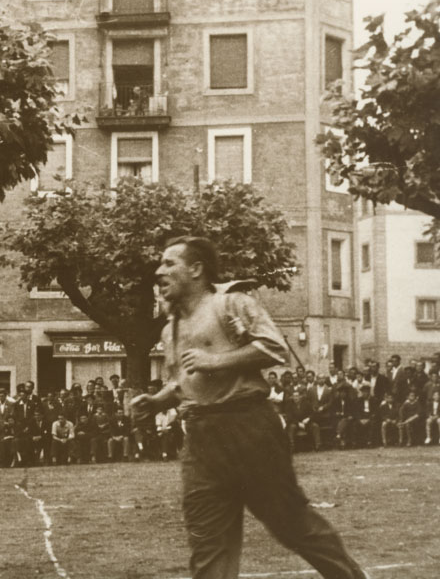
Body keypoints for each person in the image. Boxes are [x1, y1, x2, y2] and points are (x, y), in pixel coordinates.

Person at [132, 236, 365, 579]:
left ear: (196, 269)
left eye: (169, 263)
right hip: (200, 438)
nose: (158, 271)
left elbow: (274, 348)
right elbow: (184, 382)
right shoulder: (170, 329)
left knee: (290, 523)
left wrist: (216, 360)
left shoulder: (232, 304)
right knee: (208, 541)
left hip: (248, 428)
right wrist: (156, 402)